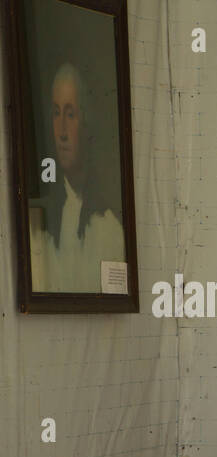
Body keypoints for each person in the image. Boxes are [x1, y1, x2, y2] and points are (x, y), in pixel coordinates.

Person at [29, 62, 126, 293]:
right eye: (56, 113)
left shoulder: (108, 228)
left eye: (70, 114)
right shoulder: (40, 222)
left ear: (86, 122)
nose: (61, 131)